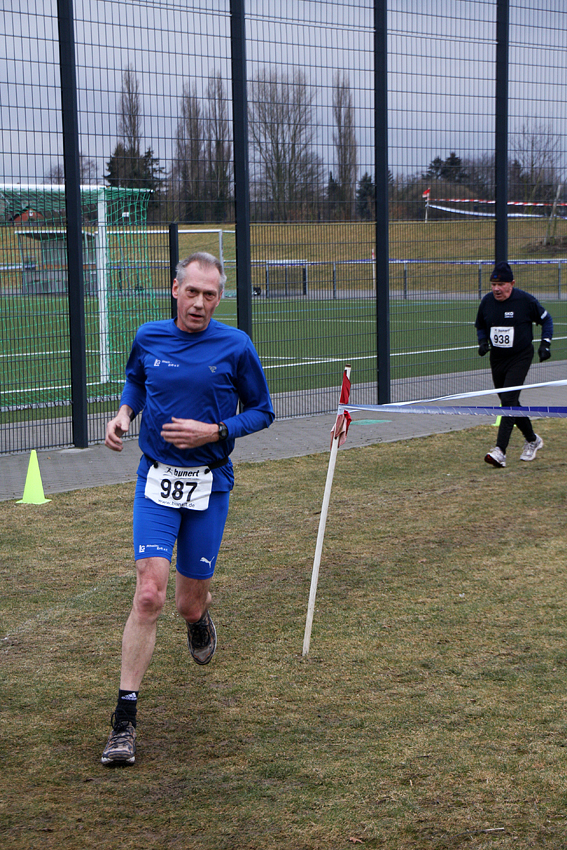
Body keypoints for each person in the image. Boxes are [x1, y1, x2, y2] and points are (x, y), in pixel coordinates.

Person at [101, 252, 274, 765]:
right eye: (192, 291)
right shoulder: (150, 335)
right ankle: (124, 722)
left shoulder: (235, 345)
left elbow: (264, 410)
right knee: (149, 593)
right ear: (174, 289)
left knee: (185, 604)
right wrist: (123, 413)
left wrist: (217, 430)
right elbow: (137, 378)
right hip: (156, 479)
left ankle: (199, 619)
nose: (200, 302)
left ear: (219, 298)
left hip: (208, 485)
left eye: (210, 295)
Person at [475, 261, 553, 468]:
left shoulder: (525, 301)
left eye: (501, 284)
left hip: (520, 356)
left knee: (508, 399)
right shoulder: (487, 302)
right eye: (493, 284)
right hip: (498, 359)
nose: (496, 289)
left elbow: (547, 320)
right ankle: (533, 440)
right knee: (509, 402)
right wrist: (482, 341)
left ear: (512, 283)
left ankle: (500, 451)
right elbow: (480, 325)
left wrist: (545, 344)